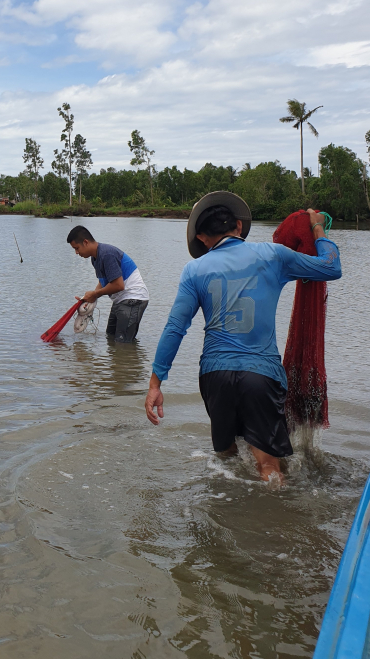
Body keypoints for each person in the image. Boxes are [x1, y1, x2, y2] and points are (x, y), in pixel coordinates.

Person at [144, 191, 341, 481]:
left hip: (215, 375)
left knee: (226, 461)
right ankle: (275, 516)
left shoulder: (194, 269)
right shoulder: (273, 255)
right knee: (268, 466)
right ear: (238, 226)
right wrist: (317, 226)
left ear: (201, 238)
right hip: (261, 375)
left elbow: (175, 328)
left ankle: (230, 509)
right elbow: (331, 267)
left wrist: (155, 383)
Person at [67, 225, 149, 342]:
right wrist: (90, 299)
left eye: (77, 248)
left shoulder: (107, 254)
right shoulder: (95, 257)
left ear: (85, 242)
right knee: (110, 337)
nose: (76, 252)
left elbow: (118, 285)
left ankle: (127, 358)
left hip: (133, 298)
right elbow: (103, 281)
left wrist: (95, 294)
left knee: (122, 342)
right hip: (121, 299)